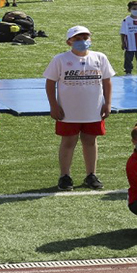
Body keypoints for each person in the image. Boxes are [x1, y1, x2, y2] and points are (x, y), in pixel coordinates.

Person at [44, 25, 114, 191]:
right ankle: (65, 176)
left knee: (90, 141)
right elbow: (50, 83)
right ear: (69, 42)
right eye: (77, 39)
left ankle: (91, 174)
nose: (82, 42)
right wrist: (53, 105)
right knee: (68, 142)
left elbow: (107, 81)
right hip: (68, 111)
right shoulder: (60, 60)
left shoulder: (100, 58)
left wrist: (108, 103)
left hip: (93, 110)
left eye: (85, 38)